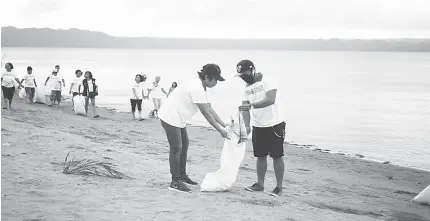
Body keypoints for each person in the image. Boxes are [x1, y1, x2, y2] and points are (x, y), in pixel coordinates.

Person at [158, 63, 229, 193]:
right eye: (215, 80)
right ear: (207, 77)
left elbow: (209, 108)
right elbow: (205, 113)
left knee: (184, 145)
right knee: (176, 148)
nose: (216, 83)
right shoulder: (196, 87)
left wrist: (223, 124)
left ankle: (182, 175)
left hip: (179, 118)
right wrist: (220, 131)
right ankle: (175, 182)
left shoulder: (201, 86)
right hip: (170, 117)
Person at [236, 60, 286, 197]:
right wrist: (247, 125)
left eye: (245, 74)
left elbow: (271, 99)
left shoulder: (268, 80)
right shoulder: (246, 87)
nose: (243, 77)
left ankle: (279, 187)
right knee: (260, 155)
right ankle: (260, 184)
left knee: (277, 155)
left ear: (252, 70)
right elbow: (244, 106)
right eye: (241, 75)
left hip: (275, 123)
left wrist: (252, 106)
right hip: (258, 125)